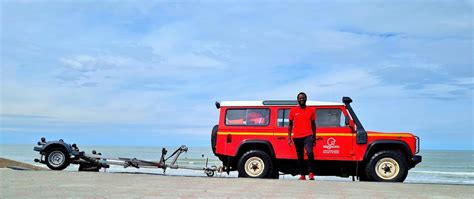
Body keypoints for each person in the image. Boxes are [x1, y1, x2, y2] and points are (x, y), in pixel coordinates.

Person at [288, 92, 316, 180]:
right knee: (300, 156)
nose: (301, 99)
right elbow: (290, 125)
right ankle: (302, 175)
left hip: (308, 135)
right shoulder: (293, 111)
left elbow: (313, 124)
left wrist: (314, 137)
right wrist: (289, 138)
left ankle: (311, 173)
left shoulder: (311, 110)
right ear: (297, 100)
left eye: (303, 98)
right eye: (300, 98)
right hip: (297, 136)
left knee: (309, 152)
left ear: (306, 99)